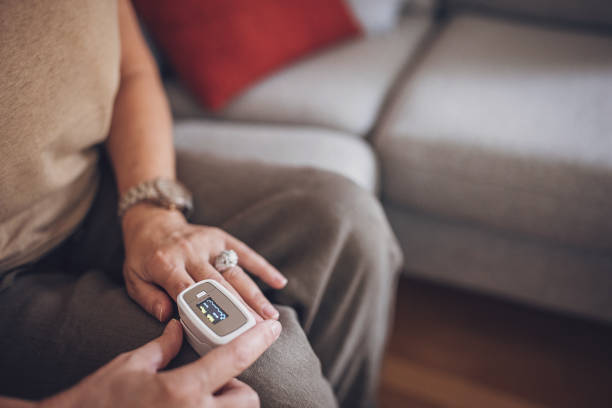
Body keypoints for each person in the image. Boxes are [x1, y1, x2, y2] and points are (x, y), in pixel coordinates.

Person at [0, 1, 402, 407]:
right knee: (271, 379)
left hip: (91, 178)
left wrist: (153, 211)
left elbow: (131, 69)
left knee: (344, 217)